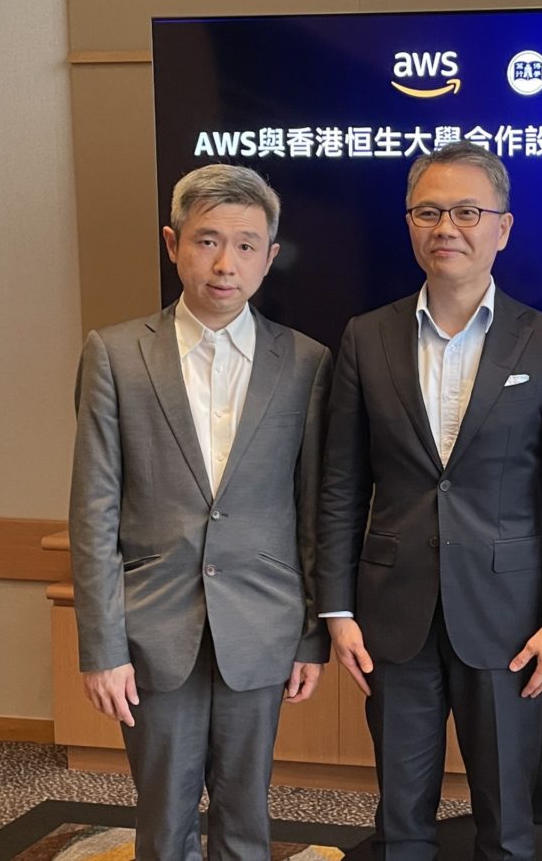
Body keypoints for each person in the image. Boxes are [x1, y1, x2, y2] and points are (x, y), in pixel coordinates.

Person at [319, 141, 542, 860]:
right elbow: (342, 484)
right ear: (409, 224)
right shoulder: (366, 337)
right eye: (429, 212)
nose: (447, 227)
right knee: (400, 820)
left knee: (507, 825)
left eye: (468, 212)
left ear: (503, 228)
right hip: (392, 616)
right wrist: (337, 609)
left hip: (509, 622)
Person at [69, 164, 331, 860]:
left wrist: (311, 636)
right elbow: (93, 509)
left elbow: (312, 511)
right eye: (207, 240)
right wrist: (103, 648)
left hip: (263, 623)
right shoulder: (115, 354)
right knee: (163, 817)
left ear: (270, 256)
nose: (225, 263)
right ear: (173, 244)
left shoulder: (306, 362)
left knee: (246, 814)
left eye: (246, 245)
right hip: (153, 627)